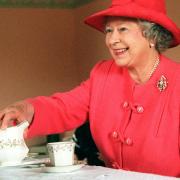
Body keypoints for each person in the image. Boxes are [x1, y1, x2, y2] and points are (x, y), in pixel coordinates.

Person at [0, 0, 180, 177]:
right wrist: (26, 109)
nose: (112, 40)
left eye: (122, 29)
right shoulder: (103, 74)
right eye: (109, 30)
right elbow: (65, 107)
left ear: (152, 36)